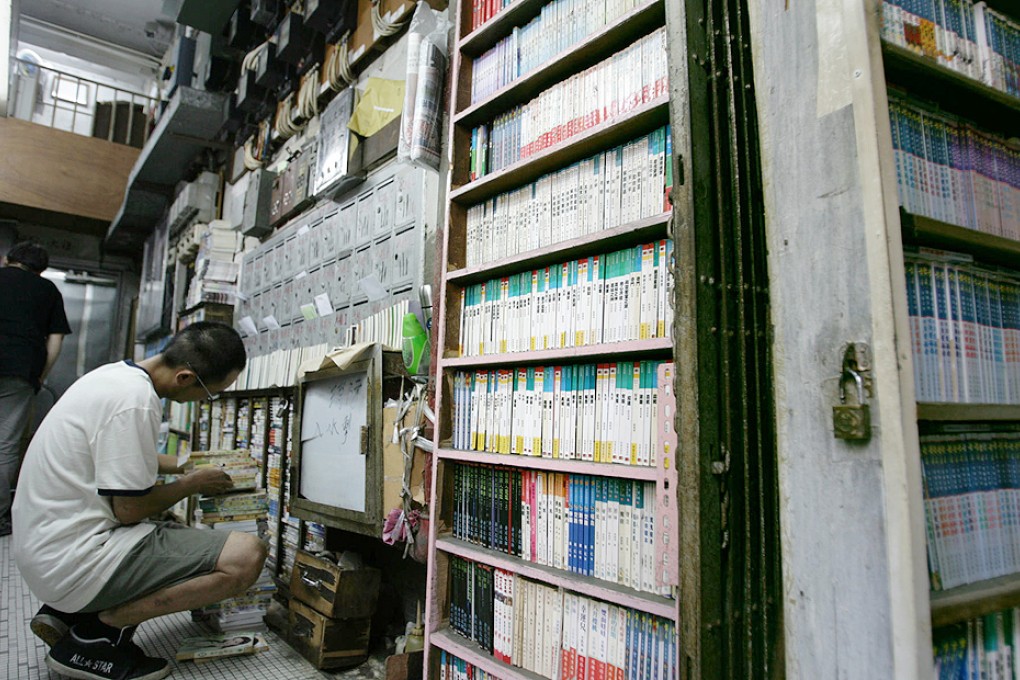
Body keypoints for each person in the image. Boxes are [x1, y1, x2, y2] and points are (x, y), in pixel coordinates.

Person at [12, 321, 267, 680]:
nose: (205, 401)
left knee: (163, 534)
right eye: (210, 393)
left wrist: (184, 464)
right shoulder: (135, 403)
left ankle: (69, 613)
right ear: (184, 378)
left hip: (44, 544)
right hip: (71, 558)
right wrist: (193, 483)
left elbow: (121, 454)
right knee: (246, 556)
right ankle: (96, 632)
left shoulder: (116, 376)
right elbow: (130, 510)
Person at [0, 241, 71, 538]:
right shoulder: (48, 291)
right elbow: (55, 341)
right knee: (5, 445)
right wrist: (39, 376)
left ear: (7, 259)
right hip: (19, 370)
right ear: (42, 270)